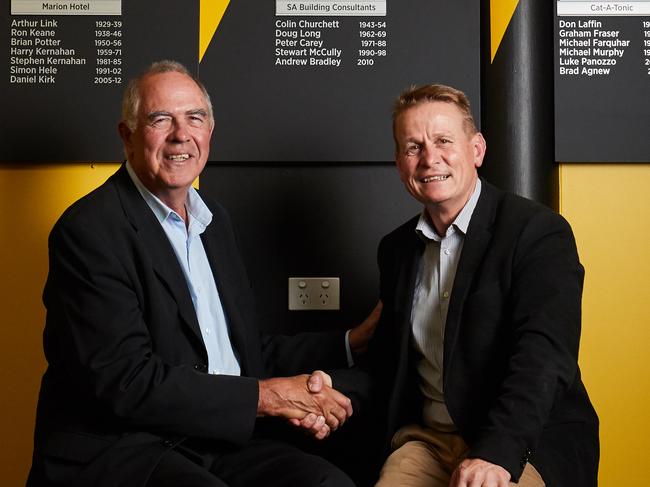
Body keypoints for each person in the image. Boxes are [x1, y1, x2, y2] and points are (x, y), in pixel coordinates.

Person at [27, 60, 363, 487]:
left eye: (194, 118)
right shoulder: (88, 232)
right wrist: (270, 398)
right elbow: (127, 381)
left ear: (209, 133)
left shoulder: (214, 222)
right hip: (124, 447)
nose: (180, 134)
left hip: (213, 440)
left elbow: (238, 353)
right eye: (160, 118)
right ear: (127, 137)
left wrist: (348, 345)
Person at [353, 84, 599, 487]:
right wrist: (325, 388)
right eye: (413, 147)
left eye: (444, 141)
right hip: (429, 441)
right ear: (399, 163)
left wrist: (496, 453)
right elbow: (384, 366)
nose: (429, 158)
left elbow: (543, 356)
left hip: (524, 438)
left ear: (477, 150)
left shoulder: (537, 232)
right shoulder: (396, 250)